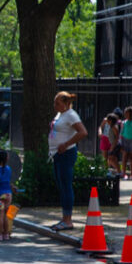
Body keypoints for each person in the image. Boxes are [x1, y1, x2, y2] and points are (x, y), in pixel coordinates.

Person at [48, 91, 88, 231]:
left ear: (65, 104)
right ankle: (64, 218)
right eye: (54, 102)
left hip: (66, 154)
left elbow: (83, 132)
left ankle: (68, 220)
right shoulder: (61, 114)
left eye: (57, 103)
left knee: (66, 185)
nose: (55, 105)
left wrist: (66, 144)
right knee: (61, 185)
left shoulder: (71, 115)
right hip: (57, 154)